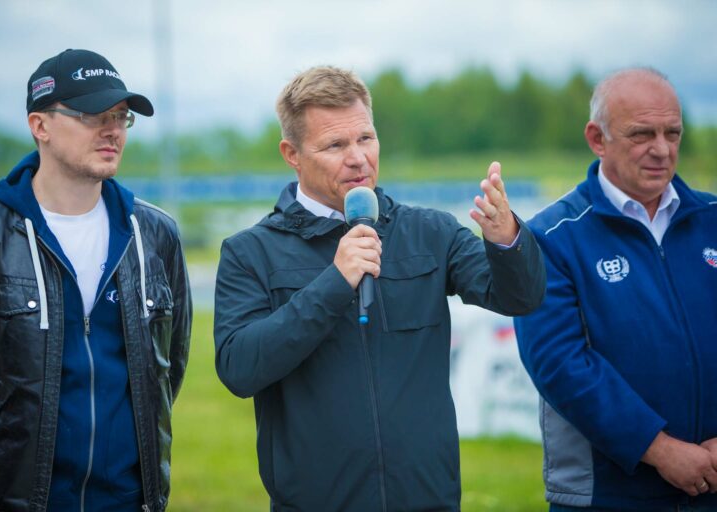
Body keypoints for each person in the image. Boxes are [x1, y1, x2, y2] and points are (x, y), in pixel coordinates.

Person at [213, 65, 545, 511]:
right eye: (335, 145)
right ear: (291, 153)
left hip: (429, 500)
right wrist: (334, 282)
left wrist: (507, 240)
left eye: (365, 138)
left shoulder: (430, 232)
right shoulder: (249, 252)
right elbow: (239, 368)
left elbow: (519, 298)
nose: (358, 158)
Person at [0, 49, 192, 512]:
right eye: (91, 115)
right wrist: (0, 473)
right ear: (39, 125)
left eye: (120, 117)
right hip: (18, 501)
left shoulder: (156, 233)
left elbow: (169, 366)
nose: (112, 130)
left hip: (130, 500)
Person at [513, 67, 717, 511]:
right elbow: (559, 365)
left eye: (673, 133)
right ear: (597, 138)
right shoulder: (551, 237)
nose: (662, 150)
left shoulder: (712, 219)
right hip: (606, 496)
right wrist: (660, 449)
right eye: (642, 134)